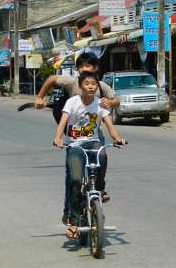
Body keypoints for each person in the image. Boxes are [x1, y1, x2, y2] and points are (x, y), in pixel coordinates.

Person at [52, 71, 126, 239]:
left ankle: (99, 189)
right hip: (75, 145)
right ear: (81, 86)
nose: (91, 87)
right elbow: (63, 122)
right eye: (87, 84)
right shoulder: (72, 102)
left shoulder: (100, 104)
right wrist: (57, 138)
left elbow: (109, 125)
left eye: (94, 84)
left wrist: (117, 138)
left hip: (93, 143)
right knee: (76, 180)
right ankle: (74, 221)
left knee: (103, 156)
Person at [33, 51, 119, 112]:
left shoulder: (101, 85)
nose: (83, 69)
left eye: (87, 66)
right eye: (80, 66)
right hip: (74, 131)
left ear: (95, 68)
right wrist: (40, 97)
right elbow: (52, 79)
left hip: (93, 132)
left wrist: (110, 102)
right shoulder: (72, 82)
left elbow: (117, 102)